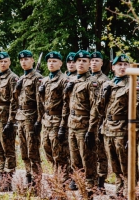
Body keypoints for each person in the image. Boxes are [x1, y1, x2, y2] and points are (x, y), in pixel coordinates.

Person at [96, 54, 139, 197]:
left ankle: (131, 193)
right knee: (115, 166)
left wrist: (134, 136)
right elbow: (100, 110)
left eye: (125, 64)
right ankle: (119, 192)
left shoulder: (133, 84)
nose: (122, 67)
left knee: (127, 165)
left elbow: (138, 112)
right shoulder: (107, 84)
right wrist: (104, 95)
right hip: (108, 130)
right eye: (119, 65)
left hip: (123, 130)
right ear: (113, 67)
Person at [60, 50, 97, 198]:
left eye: (84, 61)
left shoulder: (91, 82)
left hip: (84, 126)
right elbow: (66, 105)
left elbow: (95, 108)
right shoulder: (72, 81)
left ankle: (90, 192)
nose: (80, 63)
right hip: (72, 125)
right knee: (75, 161)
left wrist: (91, 130)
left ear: (89, 64)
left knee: (87, 160)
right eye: (78, 61)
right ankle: (81, 187)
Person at [12, 50, 44, 190]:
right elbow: (16, 100)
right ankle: (28, 178)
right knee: (24, 151)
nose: (24, 62)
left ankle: (36, 184)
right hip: (21, 117)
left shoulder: (37, 78)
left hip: (32, 118)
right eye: (22, 60)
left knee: (33, 152)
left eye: (27, 59)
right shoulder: (21, 78)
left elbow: (40, 102)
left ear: (32, 60)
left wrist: (39, 120)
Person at [39, 51, 70, 186]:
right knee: (47, 149)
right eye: (49, 61)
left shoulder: (64, 80)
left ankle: (62, 182)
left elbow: (66, 103)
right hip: (47, 120)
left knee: (59, 153)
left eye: (54, 61)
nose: (51, 63)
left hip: (58, 120)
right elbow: (43, 103)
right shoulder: (45, 80)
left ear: (60, 63)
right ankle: (58, 175)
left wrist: (63, 125)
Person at [0, 52, 18, 191]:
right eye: (1, 62)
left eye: (6, 61)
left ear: (10, 62)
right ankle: (2, 178)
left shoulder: (13, 78)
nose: (3, 64)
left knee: (8, 150)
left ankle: (8, 181)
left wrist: (11, 121)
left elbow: (15, 101)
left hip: (6, 118)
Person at [90, 51, 109, 193]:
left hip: (100, 120)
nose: (94, 63)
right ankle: (91, 179)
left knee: (100, 153)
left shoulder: (105, 80)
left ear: (102, 63)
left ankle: (101, 183)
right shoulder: (87, 79)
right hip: (87, 120)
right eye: (92, 60)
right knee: (90, 152)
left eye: (97, 60)